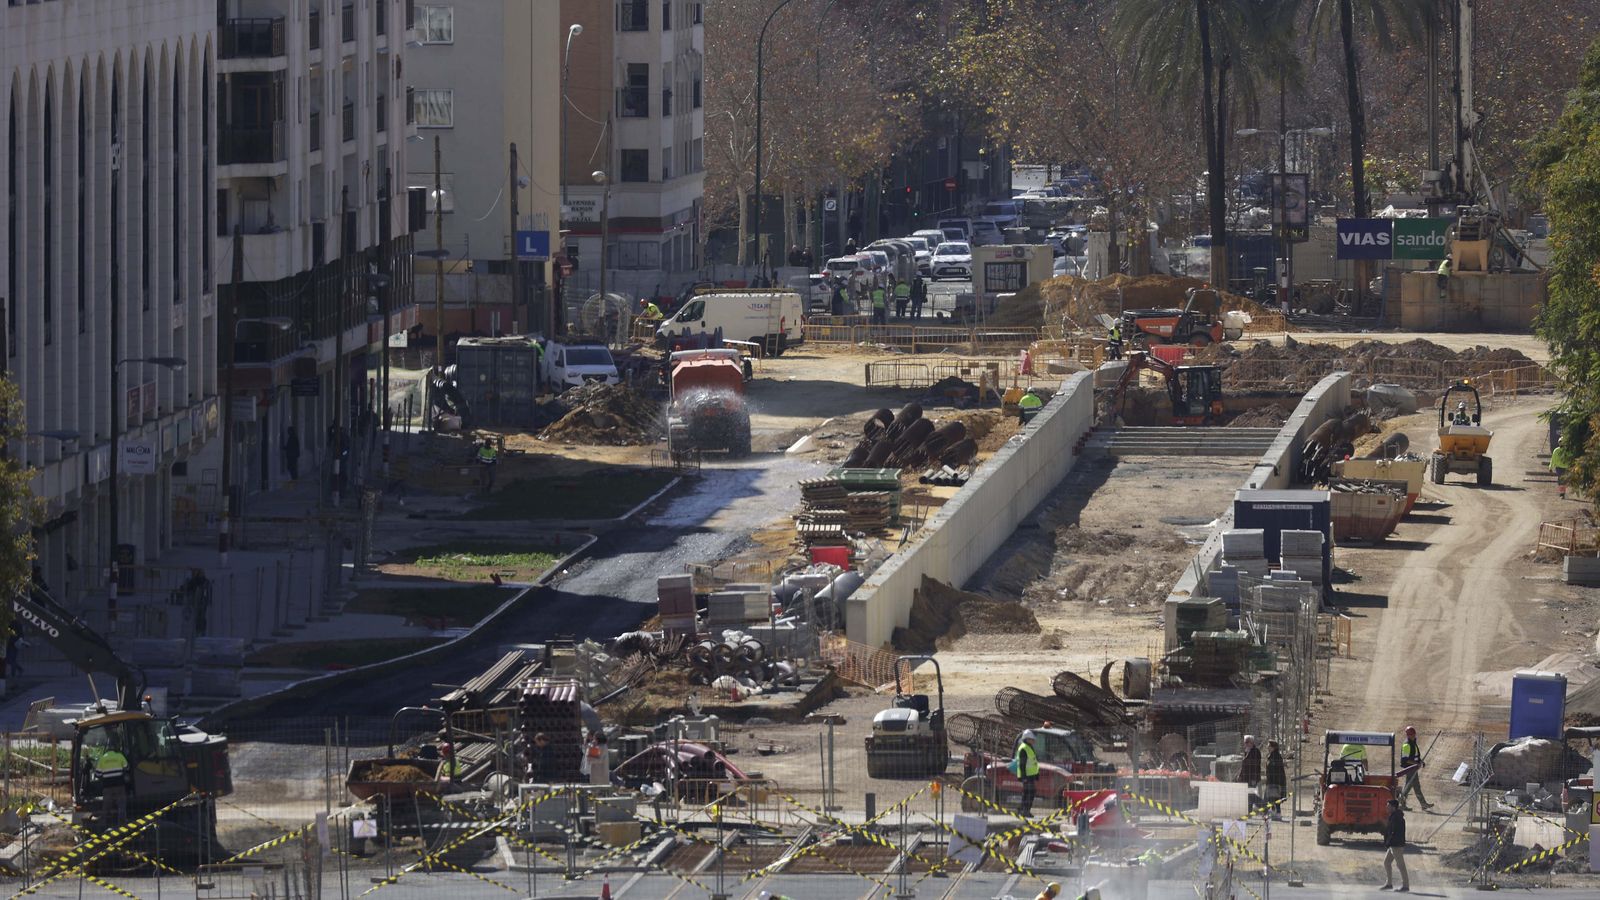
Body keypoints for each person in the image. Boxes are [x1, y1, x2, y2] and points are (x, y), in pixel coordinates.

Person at [1398, 726, 1433, 811]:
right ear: (1408, 735)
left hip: (1413, 768)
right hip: (1409, 769)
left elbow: (1415, 756)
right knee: (1413, 786)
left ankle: (1402, 803)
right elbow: (1406, 760)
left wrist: (1420, 762)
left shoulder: (1413, 743)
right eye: (1411, 734)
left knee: (1410, 786)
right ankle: (1422, 804)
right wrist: (1416, 764)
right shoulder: (1407, 745)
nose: (1413, 736)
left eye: (1413, 734)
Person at [1381, 798, 1410, 891]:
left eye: (1388, 805)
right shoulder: (1394, 816)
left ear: (1393, 807)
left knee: (1400, 865)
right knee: (1387, 862)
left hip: (1396, 845)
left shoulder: (1396, 817)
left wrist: (1389, 842)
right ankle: (1389, 883)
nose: (1386, 807)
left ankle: (1405, 886)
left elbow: (1395, 832)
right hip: (1393, 844)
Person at [1014, 730, 1040, 817]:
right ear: (1027, 739)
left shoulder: (1028, 747)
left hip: (1030, 775)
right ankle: (1024, 811)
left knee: (1028, 793)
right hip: (1026, 776)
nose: (1034, 741)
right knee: (1029, 793)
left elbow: (1032, 762)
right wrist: (1024, 777)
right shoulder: (1024, 748)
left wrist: (1036, 774)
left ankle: (1024, 810)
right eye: (1032, 739)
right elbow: (1022, 764)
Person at [1265, 740, 1287, 816]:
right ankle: (1274, 813)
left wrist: (1277, 782)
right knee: (1272, 798)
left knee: (1275, 798)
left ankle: (1277, 813)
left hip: (1275, 781)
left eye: (1269, 746)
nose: (1267, 747)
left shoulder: (1276, 757)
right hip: (1271, 781)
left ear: (1273, 747)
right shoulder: (1270, 756)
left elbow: (1278, 771)